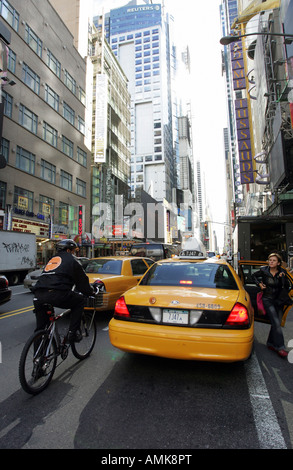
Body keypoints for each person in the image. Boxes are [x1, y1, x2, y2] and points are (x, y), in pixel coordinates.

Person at [33, 239, 95, 343]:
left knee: (41, 329)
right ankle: (72, 334)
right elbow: (82, 282)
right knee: (79, 301)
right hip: (57, 293)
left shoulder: (51, 260)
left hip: (38, 294)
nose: (74, 253)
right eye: (73, 251)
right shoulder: (72, 260)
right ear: (68, 251)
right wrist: (91, 291)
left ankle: (38, 357)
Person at [252, 252, 290, 358]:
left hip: (278, 300)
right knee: (276, 322)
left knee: (275, 323)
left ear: (278, 263)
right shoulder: (264, 270)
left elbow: (286, 286)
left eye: (273, 260)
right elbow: (253, 276)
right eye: (270, 260)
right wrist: (259, 284)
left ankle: (271, 344)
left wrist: (282, 278)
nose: (271, 262)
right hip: (267, 299)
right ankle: (281, 347)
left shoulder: (282, 272)